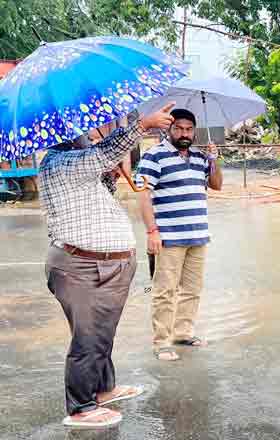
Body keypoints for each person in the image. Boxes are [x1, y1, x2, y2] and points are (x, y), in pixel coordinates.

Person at [40, 103, 176, 428]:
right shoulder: (61, 162)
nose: (90, 137)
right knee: (88, 339)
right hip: (83, 267)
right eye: (84, 135)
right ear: (68, 137)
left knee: (100, 334)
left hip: (99, 266)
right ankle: (81, 408)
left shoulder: (76, 164)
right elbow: (104, 153)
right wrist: (142, 124)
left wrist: (110, 177)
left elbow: (95, 198)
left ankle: (103, 389)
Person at [136, 109, 223, 362]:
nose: (184, 134)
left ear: (194, 131)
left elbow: (216, 185)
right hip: (169, 237)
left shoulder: (200, 157)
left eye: (188, 129)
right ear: (169, 129)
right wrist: (152, 231)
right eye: (179, 128)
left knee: (192, 289)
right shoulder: (154, 155)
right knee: (165, 291)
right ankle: (161, 342)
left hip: (198, 235)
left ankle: (183, 333)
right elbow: (143, 194)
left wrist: (214, 160)